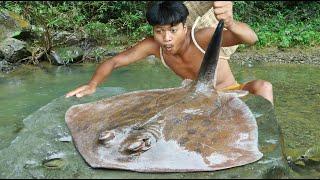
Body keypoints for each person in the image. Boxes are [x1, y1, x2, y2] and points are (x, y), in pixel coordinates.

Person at [65, 1, 273, 104]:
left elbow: (251, 38)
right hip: (198, 100)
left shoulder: (200, 37)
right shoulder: (154, 46)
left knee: (263, 86)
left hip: (228, 93)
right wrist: (93, 85)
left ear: (184, 26)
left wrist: (230, 23)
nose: (166, 38)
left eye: (173, 30)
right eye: (159, 31)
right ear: (153, 30)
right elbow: (115, 62)